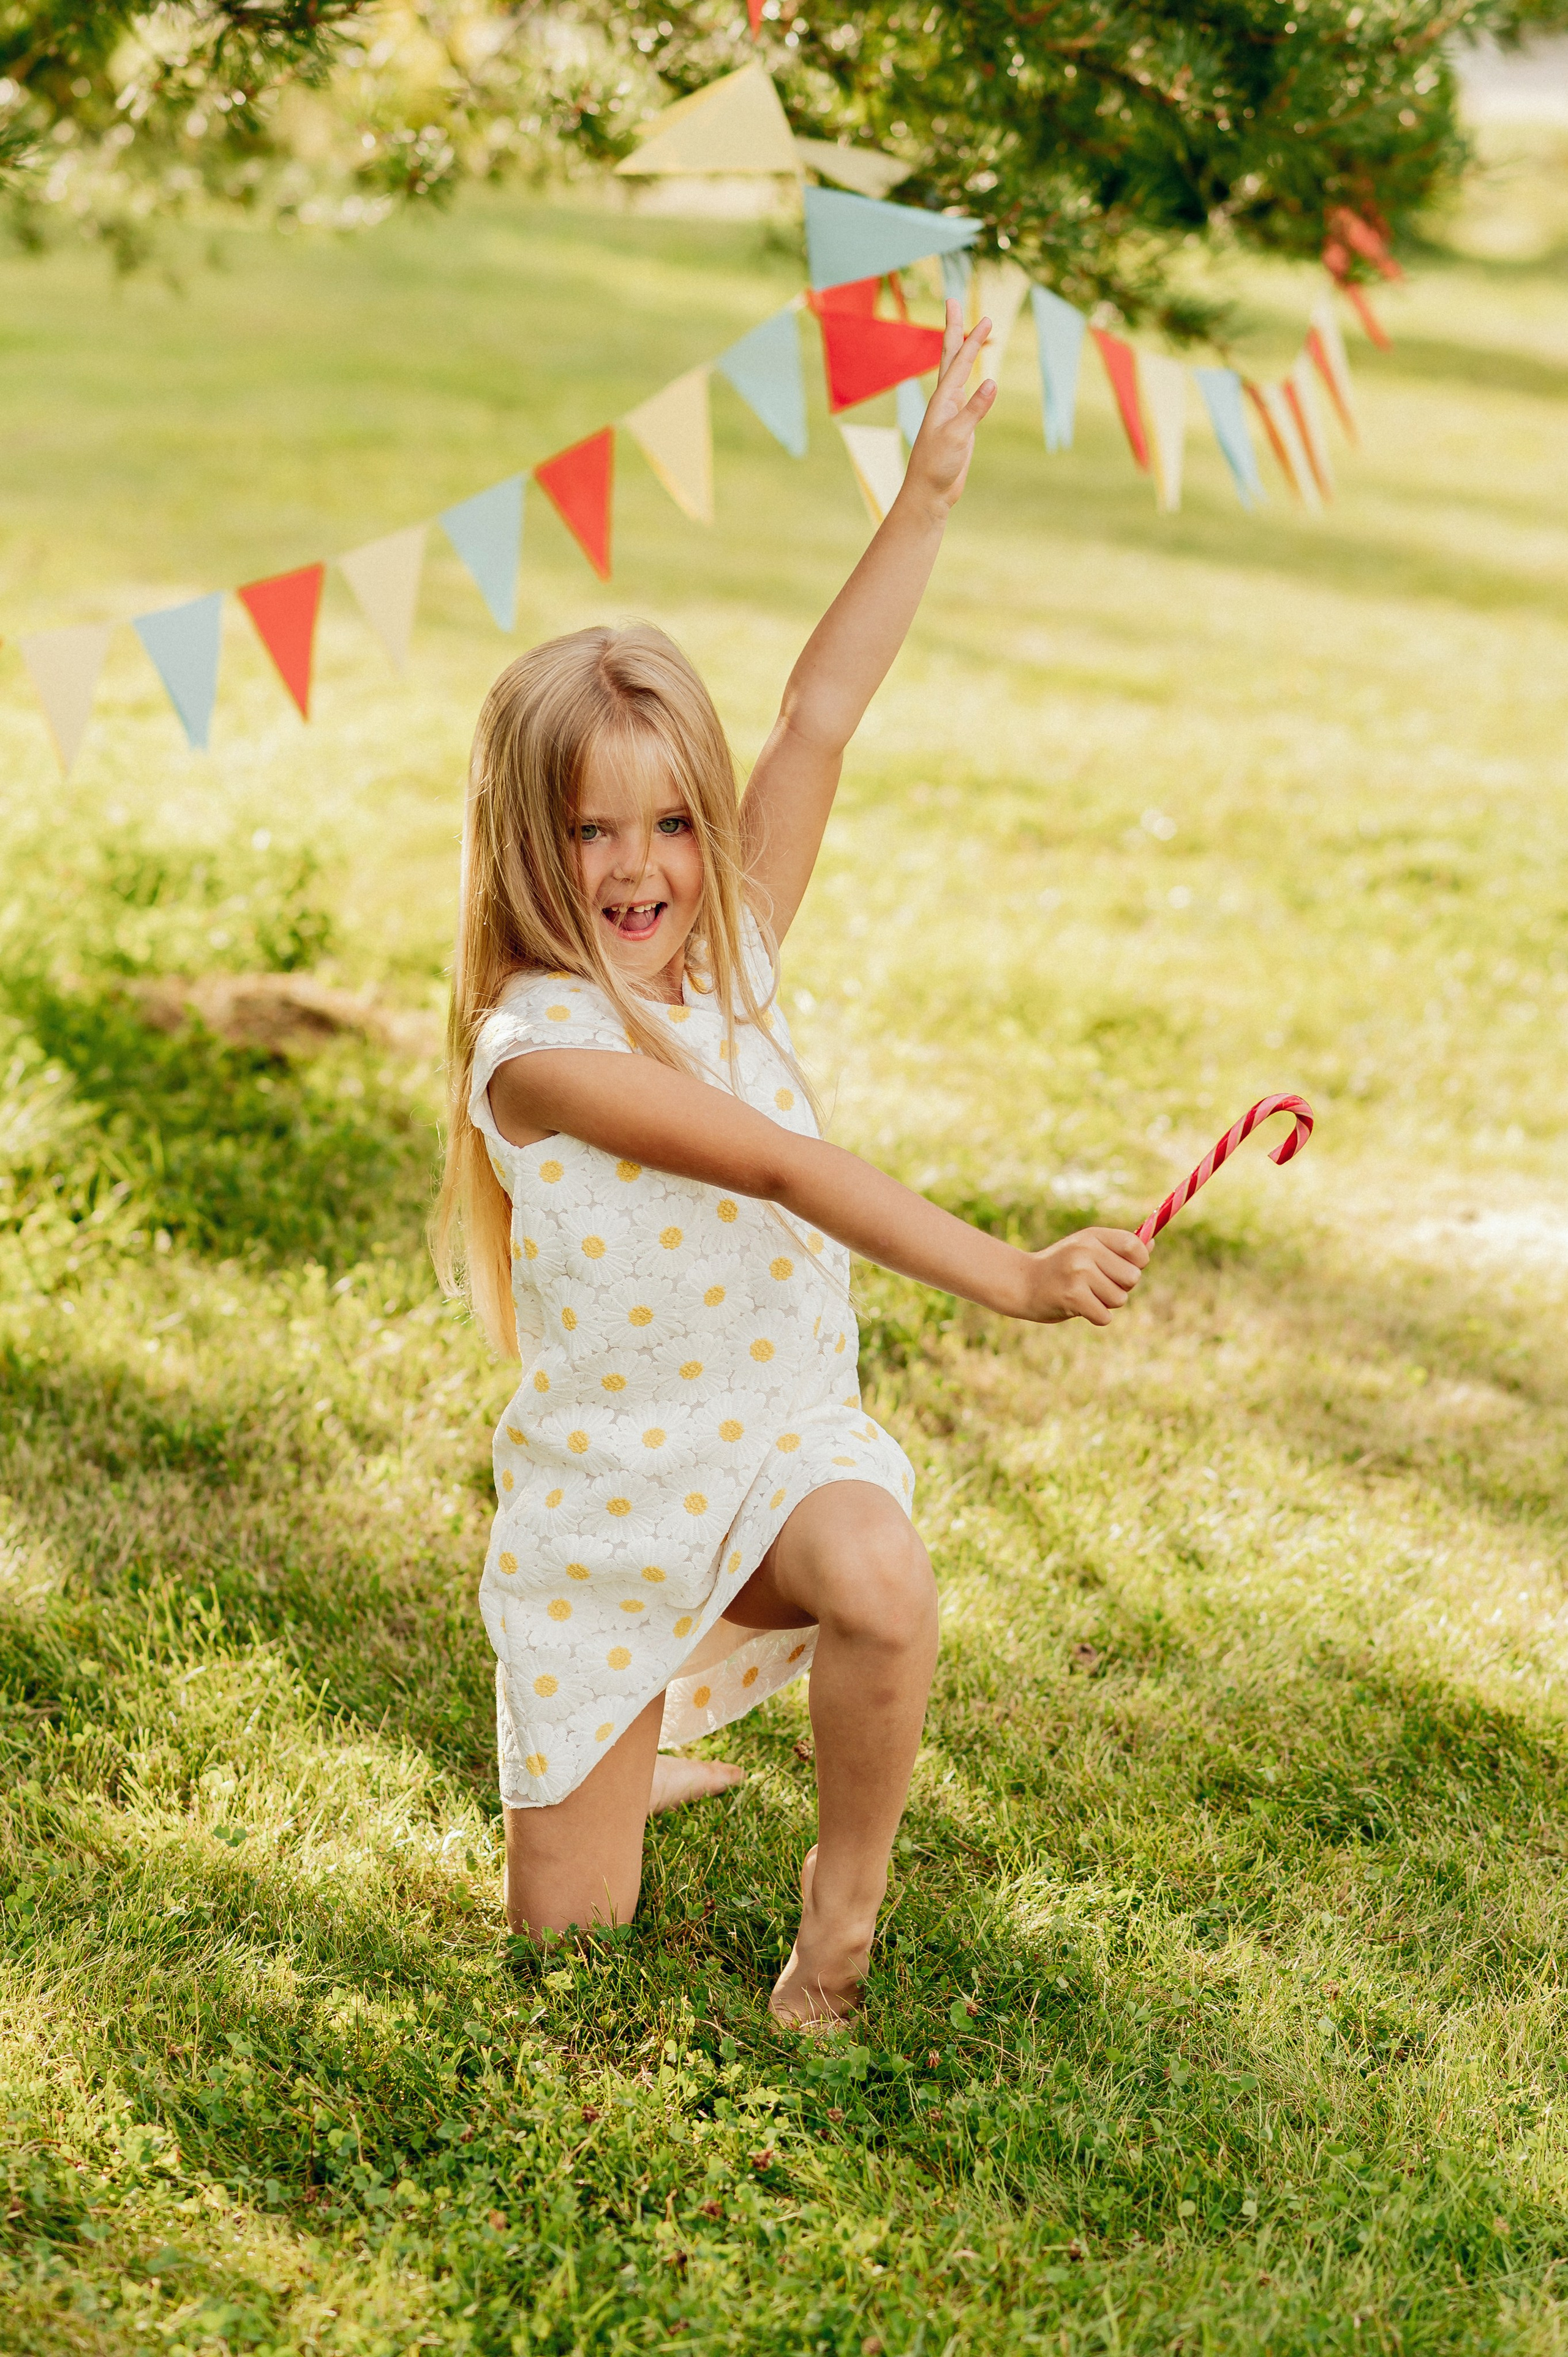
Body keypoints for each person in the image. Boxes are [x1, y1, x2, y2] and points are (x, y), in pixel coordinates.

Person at [434, 300, 1148, 2026]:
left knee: (883, 1575)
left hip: (771, 1453)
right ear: (527, 840)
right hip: (609, 1509)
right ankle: (638, 1728)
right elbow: (772, 1166)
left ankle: (839, 1925)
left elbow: (817, 714)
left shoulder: (730, 954)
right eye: (593, 829)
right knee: (568, 1952)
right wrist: (1012, 1276)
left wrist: (930, 492)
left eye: (674, 822)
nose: (642, 867)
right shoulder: (538, 1057)